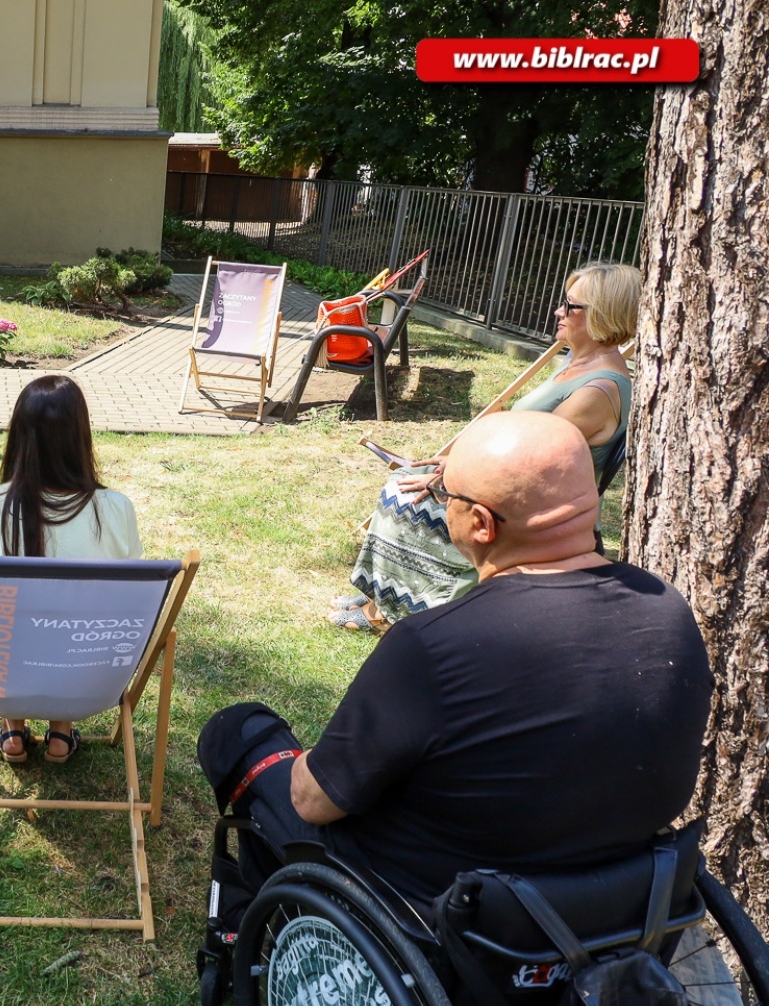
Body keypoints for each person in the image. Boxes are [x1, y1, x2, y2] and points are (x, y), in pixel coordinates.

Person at [200, 410, 712, 923]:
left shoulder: (435, 644)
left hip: (452, 915)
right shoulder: (669, 608)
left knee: (238, 732)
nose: (442, 505)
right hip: (613, 899)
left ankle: (279, 927)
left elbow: (313, 802)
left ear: (481, 524)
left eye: (447, 496)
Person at [331, 262, 639, 633]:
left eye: (570, 306)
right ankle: (383, 595)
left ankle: (399, 614)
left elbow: (532, 460)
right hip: (516, 491)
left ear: (603, 316)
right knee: (410, 481)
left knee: (405, 497)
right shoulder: (580, 365)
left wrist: (457, 476)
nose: (558, 311)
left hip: (524, 508)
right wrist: (452, 461)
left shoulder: (599, 390)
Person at [0, 375, 143, 763]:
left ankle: (11, 728)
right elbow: (120, 603)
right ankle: (61, 732)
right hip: (90, 681)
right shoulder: (117, 510)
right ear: (80, 436)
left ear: (19, 436)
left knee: (3, 618)